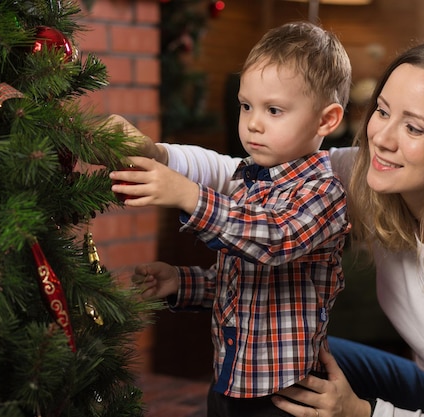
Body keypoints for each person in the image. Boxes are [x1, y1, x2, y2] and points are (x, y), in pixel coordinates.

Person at [108, 37, 424, 417]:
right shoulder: (371, 176)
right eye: (382, 112)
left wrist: (363, 412)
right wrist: (158, 155)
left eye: (413, 127)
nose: (382, 138)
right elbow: (250, 170)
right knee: (288, 364)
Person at [109, 21, 352, 417]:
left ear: (326, 120)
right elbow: (245, 285)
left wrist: (188, 194)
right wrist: (182, 282)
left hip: (284, 394)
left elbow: (273, 241)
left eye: (274, 110)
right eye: (246, 106)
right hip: (231, 378)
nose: (253, 122)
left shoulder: (323, 192)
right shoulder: (247, 179)